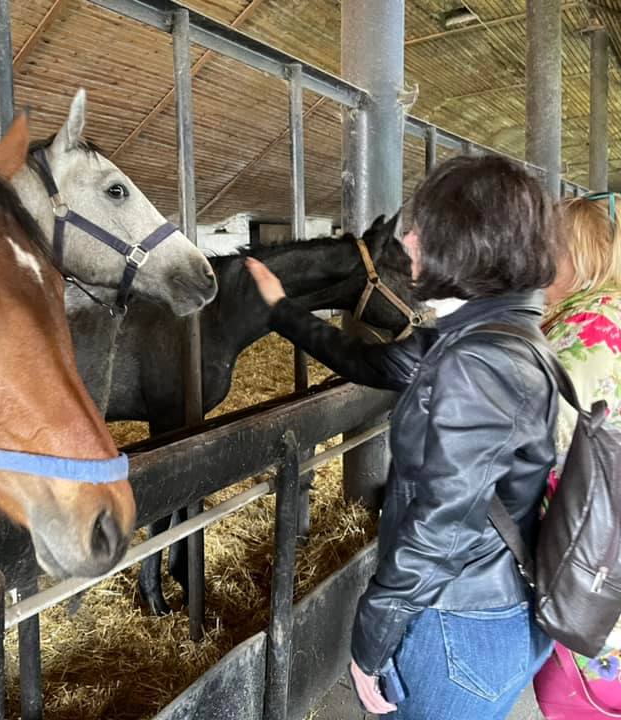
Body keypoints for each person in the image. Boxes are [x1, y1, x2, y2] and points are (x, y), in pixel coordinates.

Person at [246, 154, 559, 719]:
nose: (410, 241)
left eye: (421, 227)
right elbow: (366, 361)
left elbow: (442, 525)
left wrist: (371, 640)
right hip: (483, 609)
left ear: (463, 242)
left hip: (455, 626)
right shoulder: (492, 335)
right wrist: (281, 309)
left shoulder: (478, 361)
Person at [532, 193, 621, 719]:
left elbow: (534, 452)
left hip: (593, 569)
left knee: (579, 698)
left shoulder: (571, 336)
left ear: (567, 259)